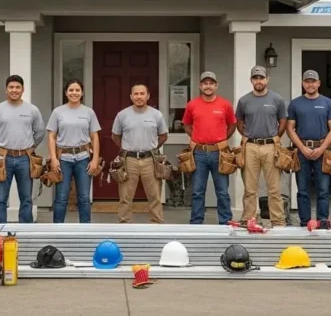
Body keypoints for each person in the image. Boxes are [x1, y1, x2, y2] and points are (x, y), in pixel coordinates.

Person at [0, 74, 45, 224]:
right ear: (6, 90)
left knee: (26, 198)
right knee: (0, 198)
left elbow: (40, 132)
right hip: (3, 159)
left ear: (23, 89)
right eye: (11, 87)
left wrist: (30, 147)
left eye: (17, 87)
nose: (14, 90)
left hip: (25, 159)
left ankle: (26, 229)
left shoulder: (32, 110)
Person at [235, 65, 289, 226]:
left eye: (261, 78)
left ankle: (278, 221)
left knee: (274, 188)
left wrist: (275, 137)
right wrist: (247, 135)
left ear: (267, 79)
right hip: (250, 146)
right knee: (250, 188)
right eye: (255, 78)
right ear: (251, 80)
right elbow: (239, 123)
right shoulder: (244, 100)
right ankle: (249, 219)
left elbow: (283, 122)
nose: (259, 81)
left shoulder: (277, 99)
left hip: (271, 146)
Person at [182, 71, 237, 225]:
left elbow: (232, 124)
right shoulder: (192, 104)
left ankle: (225, 222)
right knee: (198, 191)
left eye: (211, 83)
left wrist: (223, 138)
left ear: (216, 85)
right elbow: (186, 124)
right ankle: (196, 223)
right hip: (198, 153)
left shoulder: (225, 105)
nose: (208, 86)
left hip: (219, 153)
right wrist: (197, 137)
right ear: (200, 86)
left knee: (222, 192)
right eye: (205, 83)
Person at [286, 69, 331, 227]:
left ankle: (322, 221)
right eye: (307, 81)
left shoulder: (328, 103)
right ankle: (305, 222)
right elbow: (289, 128)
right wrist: (302, 148)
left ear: (319, 83)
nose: (310, 84)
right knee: (302, 190)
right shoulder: (295, 103)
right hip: (302, 151)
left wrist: (321, 149)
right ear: (303, 83)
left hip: (322, 151)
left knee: (323, 190)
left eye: (313, 81)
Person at [112, 83, 169, 223]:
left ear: (148, 96)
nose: (139, 96)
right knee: (125, 196)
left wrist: (153, 147)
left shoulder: (156, 115)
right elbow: (115, 136)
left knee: (154, 195)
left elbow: (163, 135)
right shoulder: (122, 115)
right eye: (136, 94)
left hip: (150, 160)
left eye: (142, 93)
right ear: (131, 96)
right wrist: (127, 148)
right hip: (129, 160)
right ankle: (124, 224)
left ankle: (157, 224)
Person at [46, 79, 101, 223]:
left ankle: (85, 229)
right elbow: (51, 136)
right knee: (61, 197)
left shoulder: (88, 112)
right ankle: (58, 228)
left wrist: (95, 159)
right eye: (71, 90)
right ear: (66, 93)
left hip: (83, 158)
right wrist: (53, 159)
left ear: (82, 93)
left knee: (83, 197)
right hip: (63, 158)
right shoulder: (58, 112)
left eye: (77, 90)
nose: (74, 93)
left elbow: (94, 136)